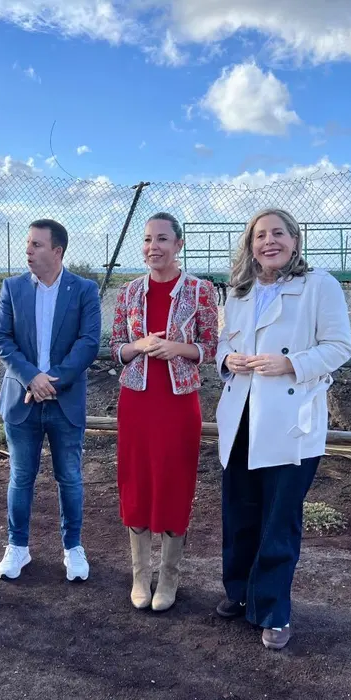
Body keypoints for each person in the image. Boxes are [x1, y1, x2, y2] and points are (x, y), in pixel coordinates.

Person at [214, 208, 351, 650]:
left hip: (290, 420)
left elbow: (338, 347)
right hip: (241, 417)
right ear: (250, 244)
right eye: (260, 235)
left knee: (278, 518)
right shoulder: (239, 290)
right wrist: (227, 360)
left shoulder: (319, 286)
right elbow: (224, 343)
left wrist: (290, 363)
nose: (268, 242)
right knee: (239, 513)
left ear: (295, 239)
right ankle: (239, 592)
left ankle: (273, 609)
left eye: (278, 234)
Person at [109, 213, 218, 612]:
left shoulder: (201, 291)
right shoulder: (127, 293)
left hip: (176, 404)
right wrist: (137, 347)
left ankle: (169, 575)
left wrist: (178, 349)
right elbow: (116, 347)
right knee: (136, 481)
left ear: (179, 244)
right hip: (136, 401)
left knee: (173, 481)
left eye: (162, 239)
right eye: (148, 239)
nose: (153, 247)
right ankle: (140, 574)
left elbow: (211, 347)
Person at [0, 219, 101, 582]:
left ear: (58, 251)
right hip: (21, 401)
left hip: (64, 401)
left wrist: (50, 382)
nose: (28, 250)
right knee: (21, 477)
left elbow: (88, 343)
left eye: (37, 245)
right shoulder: (12, 288)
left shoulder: (84, 290)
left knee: (69, 477)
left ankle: (73, 549)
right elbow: (1, 339)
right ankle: (17, 547)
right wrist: (31, 378)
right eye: (28, 244)